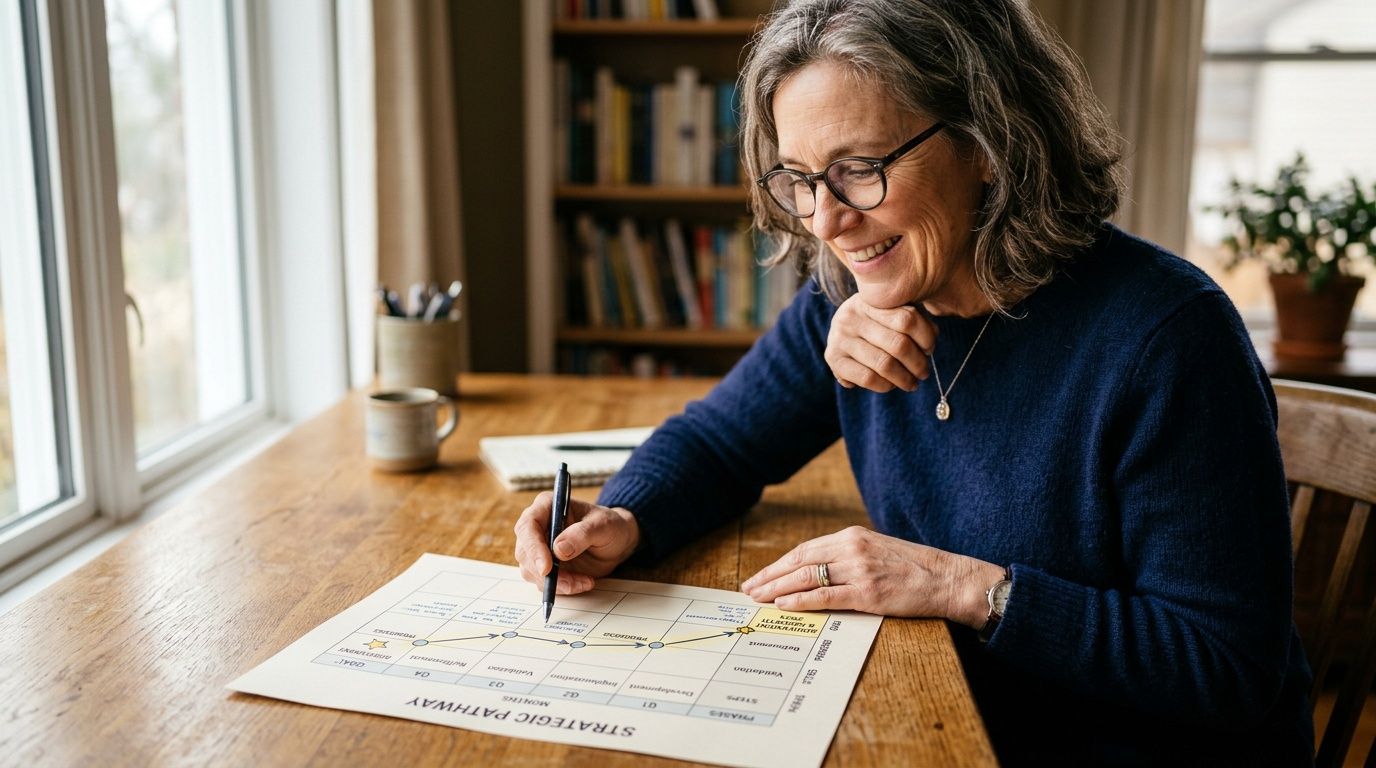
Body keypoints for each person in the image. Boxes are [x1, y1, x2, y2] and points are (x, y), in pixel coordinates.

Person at [513, 0, 1314, 763]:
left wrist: (959, 585)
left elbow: (1225, 669)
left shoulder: (1167, 337)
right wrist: (624, 516)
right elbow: (720, 441)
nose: (825, 220)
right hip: (948, 713)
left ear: (990, 142)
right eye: (799, 177)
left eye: (860, 169)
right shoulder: (853, 293)